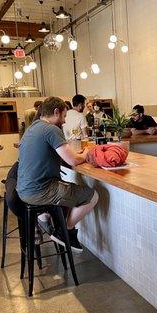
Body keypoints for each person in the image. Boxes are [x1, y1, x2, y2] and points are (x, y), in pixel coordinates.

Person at [17, 97, 99, 252]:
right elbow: (73, 161)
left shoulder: (33, 127)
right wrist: (86, 152)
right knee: (92, 196)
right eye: (64, 116)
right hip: (40, 191)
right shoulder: (51, 129)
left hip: (24, 191)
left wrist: (76, 154)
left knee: (67, 192)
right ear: (56, 112)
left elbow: (59, 154)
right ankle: (64, 231)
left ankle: (45, 219)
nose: (64, 120)